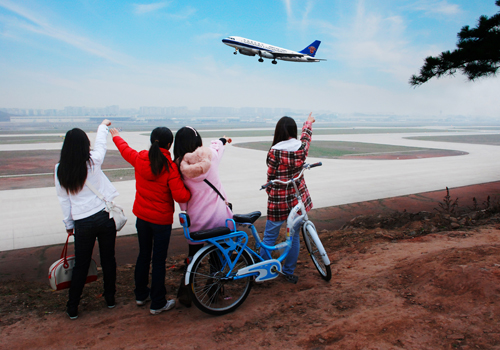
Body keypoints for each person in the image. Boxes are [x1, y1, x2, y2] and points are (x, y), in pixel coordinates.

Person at [110, 127, 191, 315]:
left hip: (142, 218)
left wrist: (115, 135)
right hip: (161, 221)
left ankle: (140, 295)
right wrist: (191, 191)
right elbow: (181, 196)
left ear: (152, 141)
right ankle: (158, 302)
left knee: (143, 256)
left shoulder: (140, 158)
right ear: (169, 145)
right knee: (158, 261)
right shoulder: (169, 167)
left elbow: (124, 149)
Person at [55, 119, 118, 320]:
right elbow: (101, 144)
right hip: (103, 216)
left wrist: (69, 225)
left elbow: (64, 199)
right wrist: (102, 127)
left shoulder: (60, 169)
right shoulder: (93, 161)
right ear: (84, 145)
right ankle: (110, 299)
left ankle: (72, 306)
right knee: (109, 260)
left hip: (82, 222)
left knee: (81, 265)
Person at [173, 126, 232, 306]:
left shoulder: (178, 167)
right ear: (198, 141)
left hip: (196, 221)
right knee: (218, 256)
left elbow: (182, 200)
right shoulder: (211, 157)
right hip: (218, 218)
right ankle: (214, 292)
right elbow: (217, 147)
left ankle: (186, 292)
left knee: (193, 258)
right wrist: (222, 140)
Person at [260, 113, 315, 284]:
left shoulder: (273, 152)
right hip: (296, 199)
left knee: (269, 237)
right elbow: (306, 138)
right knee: (294, 236)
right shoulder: (301, 149)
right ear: (293, 131)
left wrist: (271, 192)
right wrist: (308, 123)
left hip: (278, 201)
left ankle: (265, 271)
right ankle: (288, 271)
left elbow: (270, 176)